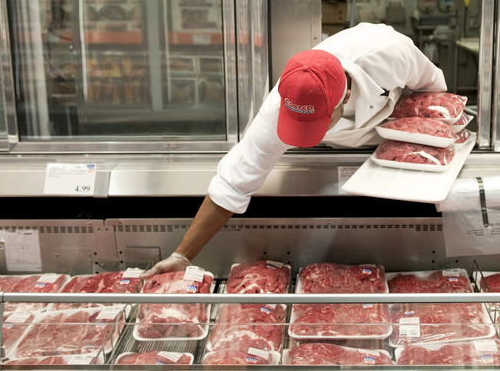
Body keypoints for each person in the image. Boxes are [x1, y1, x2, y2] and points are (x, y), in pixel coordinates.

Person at [143, 23, 448, 275]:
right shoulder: (277, 109)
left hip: (393, 144)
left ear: (343, 98)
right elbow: (232, 184)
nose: (306, 136)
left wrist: (408, 141)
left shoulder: (390, 52)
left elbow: (434, 92)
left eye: (317, 124)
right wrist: (182, 256)